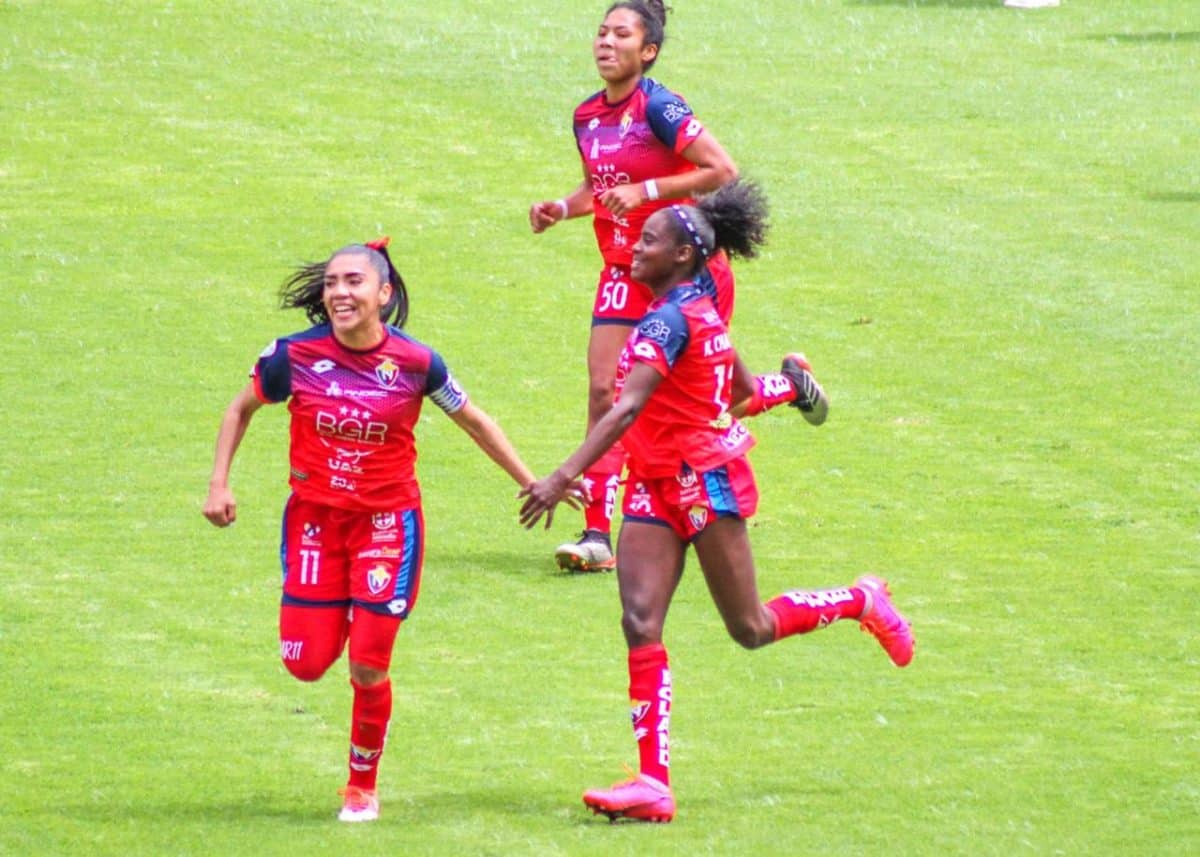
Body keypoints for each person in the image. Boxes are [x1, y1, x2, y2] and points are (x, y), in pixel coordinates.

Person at [518, 181, 915, 823]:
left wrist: (560, 478)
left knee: (749, 628)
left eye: (648, 240)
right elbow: (737, 386)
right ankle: (653, 783)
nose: (634, 247)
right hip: (655, 483)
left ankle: (860, 599)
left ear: (681, 256)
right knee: (639, 621)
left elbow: (625, 409)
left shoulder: (671, 320)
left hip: (704, 484)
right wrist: (764, 395)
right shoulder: (699, 311)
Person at [204, 238, 547, 823]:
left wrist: (535, 480)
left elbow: (473, 420)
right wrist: (219, 484)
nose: (339, 292)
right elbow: (240, 408)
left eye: (353, 282)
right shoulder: (293, 356)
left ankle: (361, 786)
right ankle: (340, 610)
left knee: (367, 665)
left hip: (388, 525)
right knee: (305, 664)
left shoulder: (417, 363)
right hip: (314, 521)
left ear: (383, 295)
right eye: (332, 282)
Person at [528, 0, 810, 572]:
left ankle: (787, 386)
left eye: (621, 34)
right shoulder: (587, 116)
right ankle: (596, 535)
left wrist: (648, 193)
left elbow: (721, 170)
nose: (606, 42)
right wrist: (563, 206)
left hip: (685, 272)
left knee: (711, 400)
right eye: (601, 32)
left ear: (647, 51)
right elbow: (600, 186)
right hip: (624, 270)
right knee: (606, 390)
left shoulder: (659, 107)